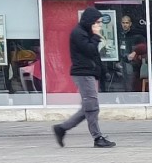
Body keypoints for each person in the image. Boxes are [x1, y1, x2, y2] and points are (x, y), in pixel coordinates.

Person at [53, 8, 114, 148]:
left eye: (100, 22)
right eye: (97, 22)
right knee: (92, 107)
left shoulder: (86, 32)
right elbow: (89, 50)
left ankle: (61, 128)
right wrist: (96, 36)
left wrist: (103, 71)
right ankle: (97, 137)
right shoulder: (78, 33)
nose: (99, 25)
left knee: (87, 108)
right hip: (83, 73)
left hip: (89, 72)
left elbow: (95, 56)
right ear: (90, 21)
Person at [117, 15, 146, 91]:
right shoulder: (119, 35)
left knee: (130, 84)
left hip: (132, 64)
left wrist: (135, 52)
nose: (125, 25)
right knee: (122, 84)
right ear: (121, 23)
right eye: (123, 23)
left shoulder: (136, 35)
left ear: (130, 24)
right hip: (121, 62)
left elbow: (144, 46)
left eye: (127, 23)